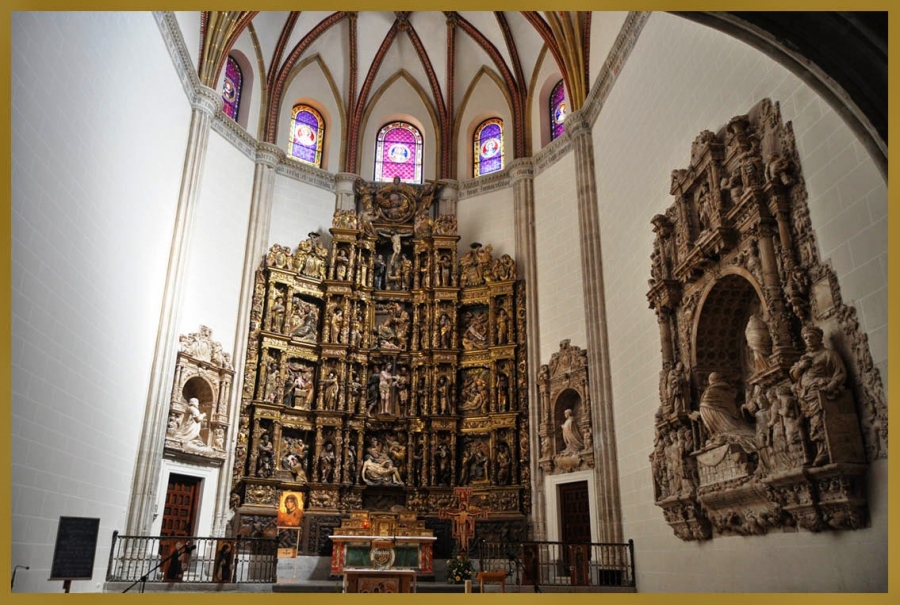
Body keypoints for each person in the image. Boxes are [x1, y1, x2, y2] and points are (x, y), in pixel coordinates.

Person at [790, 325, 847, 465]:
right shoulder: (804, 358)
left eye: (811, 337)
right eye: (805, 338)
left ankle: (826, 451)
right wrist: (800, 367)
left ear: (819, 338)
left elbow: (840, 373)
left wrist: (831, 386)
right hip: (805, 396)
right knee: (811, 424)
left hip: (820, 392)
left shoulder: (828, 354)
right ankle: (818, 450)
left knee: (820, 421)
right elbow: (794, 375)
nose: (808, 340)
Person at [690, 373, 757, 452]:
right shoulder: (718, 391)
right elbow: (732, 410)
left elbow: (731, 409)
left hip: (723, 424)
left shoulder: (712, 391)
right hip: (723, 424)